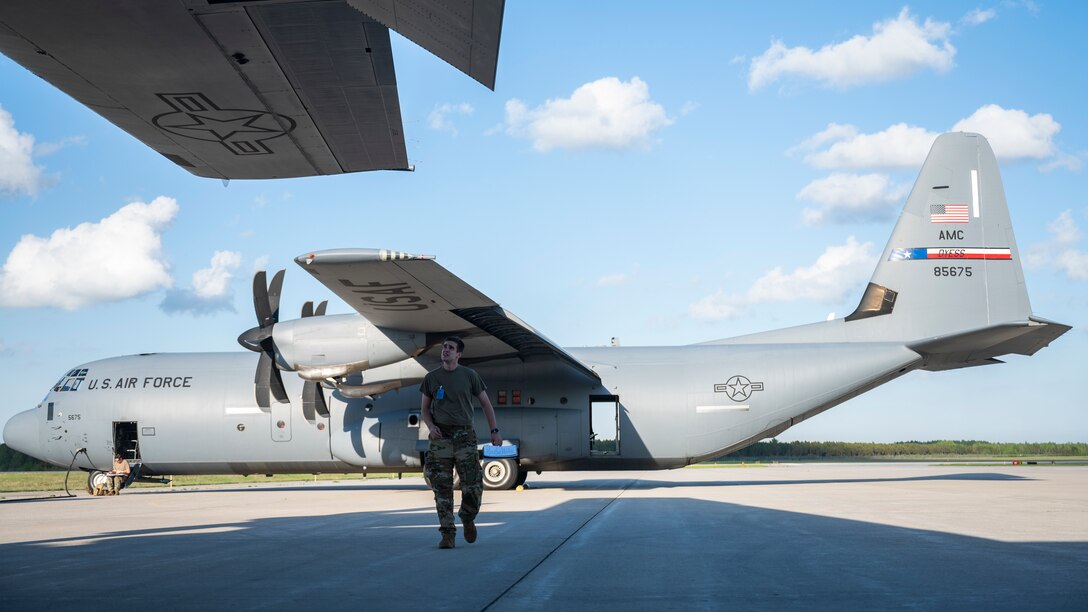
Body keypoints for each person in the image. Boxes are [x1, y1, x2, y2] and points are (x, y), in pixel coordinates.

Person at [420, 336, 501, 549]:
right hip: (440, 438)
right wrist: (430, 426)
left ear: (459, 354)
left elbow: (485, 403)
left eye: (450, 348)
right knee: (441, 488)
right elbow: (424, 409)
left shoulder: (470, 376)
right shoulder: (431, 378)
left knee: (473, 485)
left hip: (465, 437)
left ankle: (467, 516)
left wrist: (494, 431)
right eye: (444, 347)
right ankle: (447, 534)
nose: (445, 350)